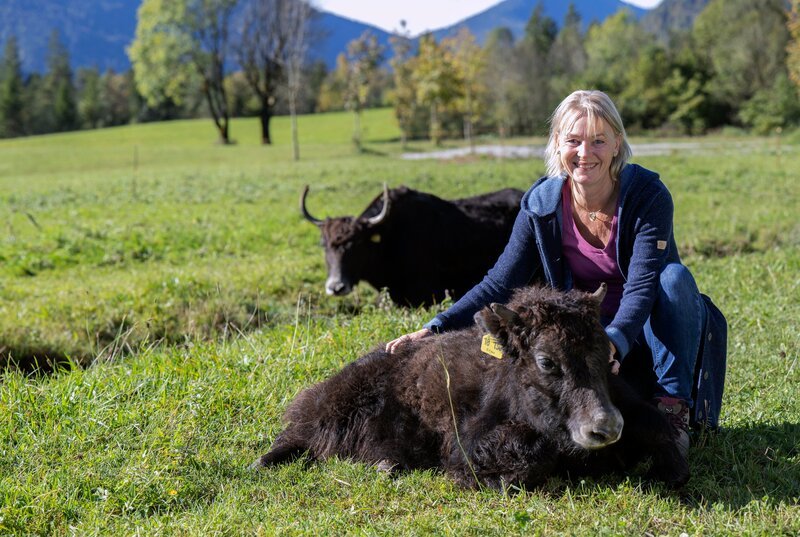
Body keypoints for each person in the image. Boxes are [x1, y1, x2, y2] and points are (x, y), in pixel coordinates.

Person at [385, 89, 727, 458]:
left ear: (617, 143)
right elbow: (499, 282)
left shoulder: (648, 196)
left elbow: (642, 289)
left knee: (672, 279)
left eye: (598, 140)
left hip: (646, 331)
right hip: (583, 338)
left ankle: (673, 408)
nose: (585, 153)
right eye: (574, 140)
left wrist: (612, 342)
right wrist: (436, 327)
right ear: (557, 143)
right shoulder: (541, 203)